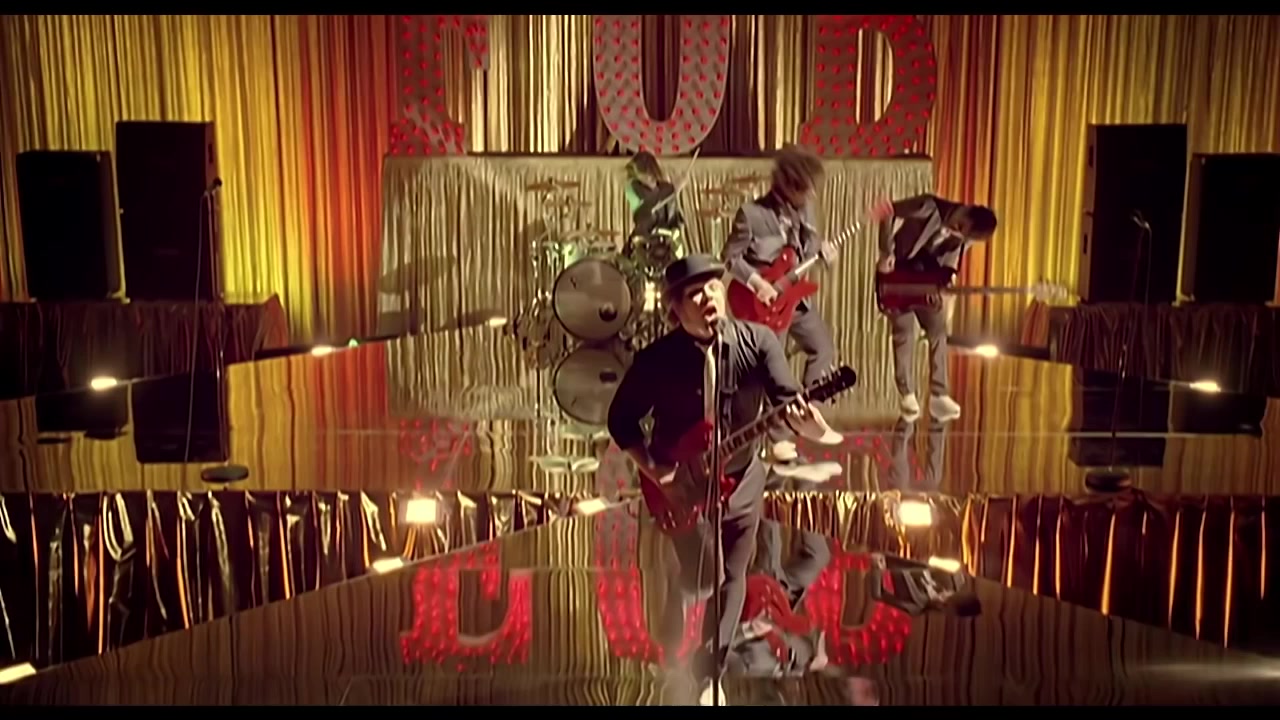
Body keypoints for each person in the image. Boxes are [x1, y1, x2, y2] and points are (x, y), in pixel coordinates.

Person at [606, 254, 841, 705]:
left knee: (733, 575)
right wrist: (657, 472)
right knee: (703, 576)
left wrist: (807, 421)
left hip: (742, 479)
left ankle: (708, 675)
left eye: (713, 287)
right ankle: (674, 615)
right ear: (676, 309)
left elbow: (787, 398)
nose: (708, 297)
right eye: (694, 294)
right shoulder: (657, 359)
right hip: (678, 484)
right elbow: (621, 421)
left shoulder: (758, 341)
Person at [722, 144, 839, 465]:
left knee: (823, 349)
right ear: (788, 184)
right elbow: (730, 257)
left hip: (796, 300)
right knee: (775, 372)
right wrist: (757, 284)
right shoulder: (752, 215)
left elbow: (809, 252)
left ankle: (806, 413)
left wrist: (826, 255)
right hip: (765, 305)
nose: (812, 195)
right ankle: (779, 438)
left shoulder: (806, 211)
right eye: (806, 188)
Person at [871, 194, 998, 421]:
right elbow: (889, 211)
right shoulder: (928, 206)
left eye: (963, 233)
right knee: (904, 333)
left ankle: (939, 395)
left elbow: (951, 264)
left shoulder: (964, 237)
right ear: (966, 208)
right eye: (960, 225)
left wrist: (947, 283)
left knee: (938, 332)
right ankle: (907, 393)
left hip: (926, 284)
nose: (957, 231)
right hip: (897, 276)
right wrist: (886, 251)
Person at [623, 151, 686, 278]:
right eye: (644, 175)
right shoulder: (632, 189)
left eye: (651, 175)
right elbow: (646, 210)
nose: (649, 179)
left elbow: (674, 216)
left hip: (668, 242)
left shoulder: (665, 188)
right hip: (644, 241)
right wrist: (673, 190)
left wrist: (677, 226)